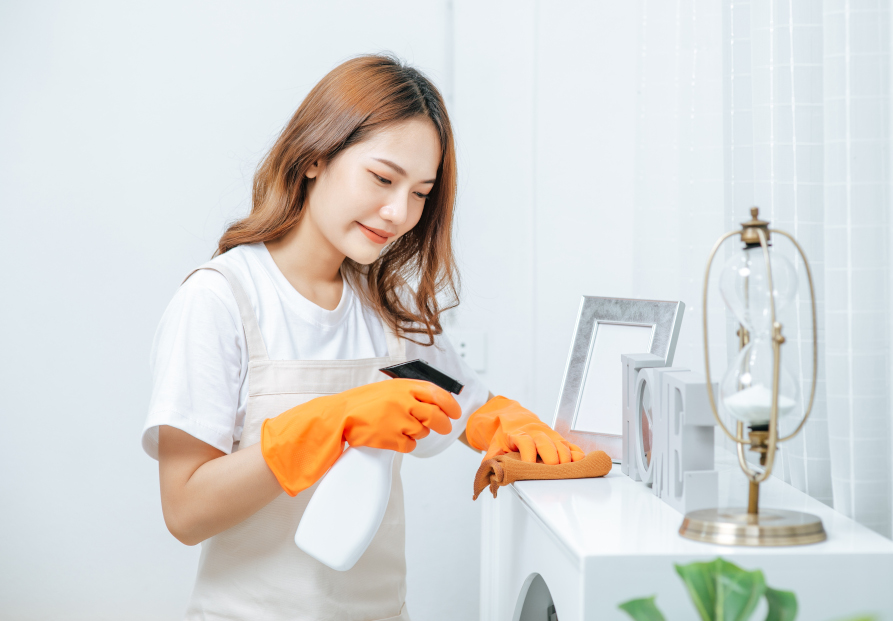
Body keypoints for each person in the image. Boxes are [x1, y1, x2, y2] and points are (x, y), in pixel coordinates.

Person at [141, 54, 584, 620]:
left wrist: (509, 424)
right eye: (382, 177)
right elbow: (185, 509)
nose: (399, 212)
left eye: (421, 193)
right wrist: (334, 421)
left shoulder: (384, 312)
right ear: (314, 158)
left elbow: (466, 407)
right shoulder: (222, 300)